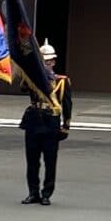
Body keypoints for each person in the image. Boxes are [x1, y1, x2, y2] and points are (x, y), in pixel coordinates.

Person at [20, 42, 72, 204]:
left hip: (51, 121)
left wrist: (66, 126)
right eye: (43, 61)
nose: (46, 64)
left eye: (49, 61)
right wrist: (30, 70)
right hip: (34, 119)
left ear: (54, 62)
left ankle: (46, 193)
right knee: (32, 160)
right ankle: (33, 192)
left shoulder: (62, 81)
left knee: (50, 161)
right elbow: (23, 88)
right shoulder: (32, 78)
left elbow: (67, 104)